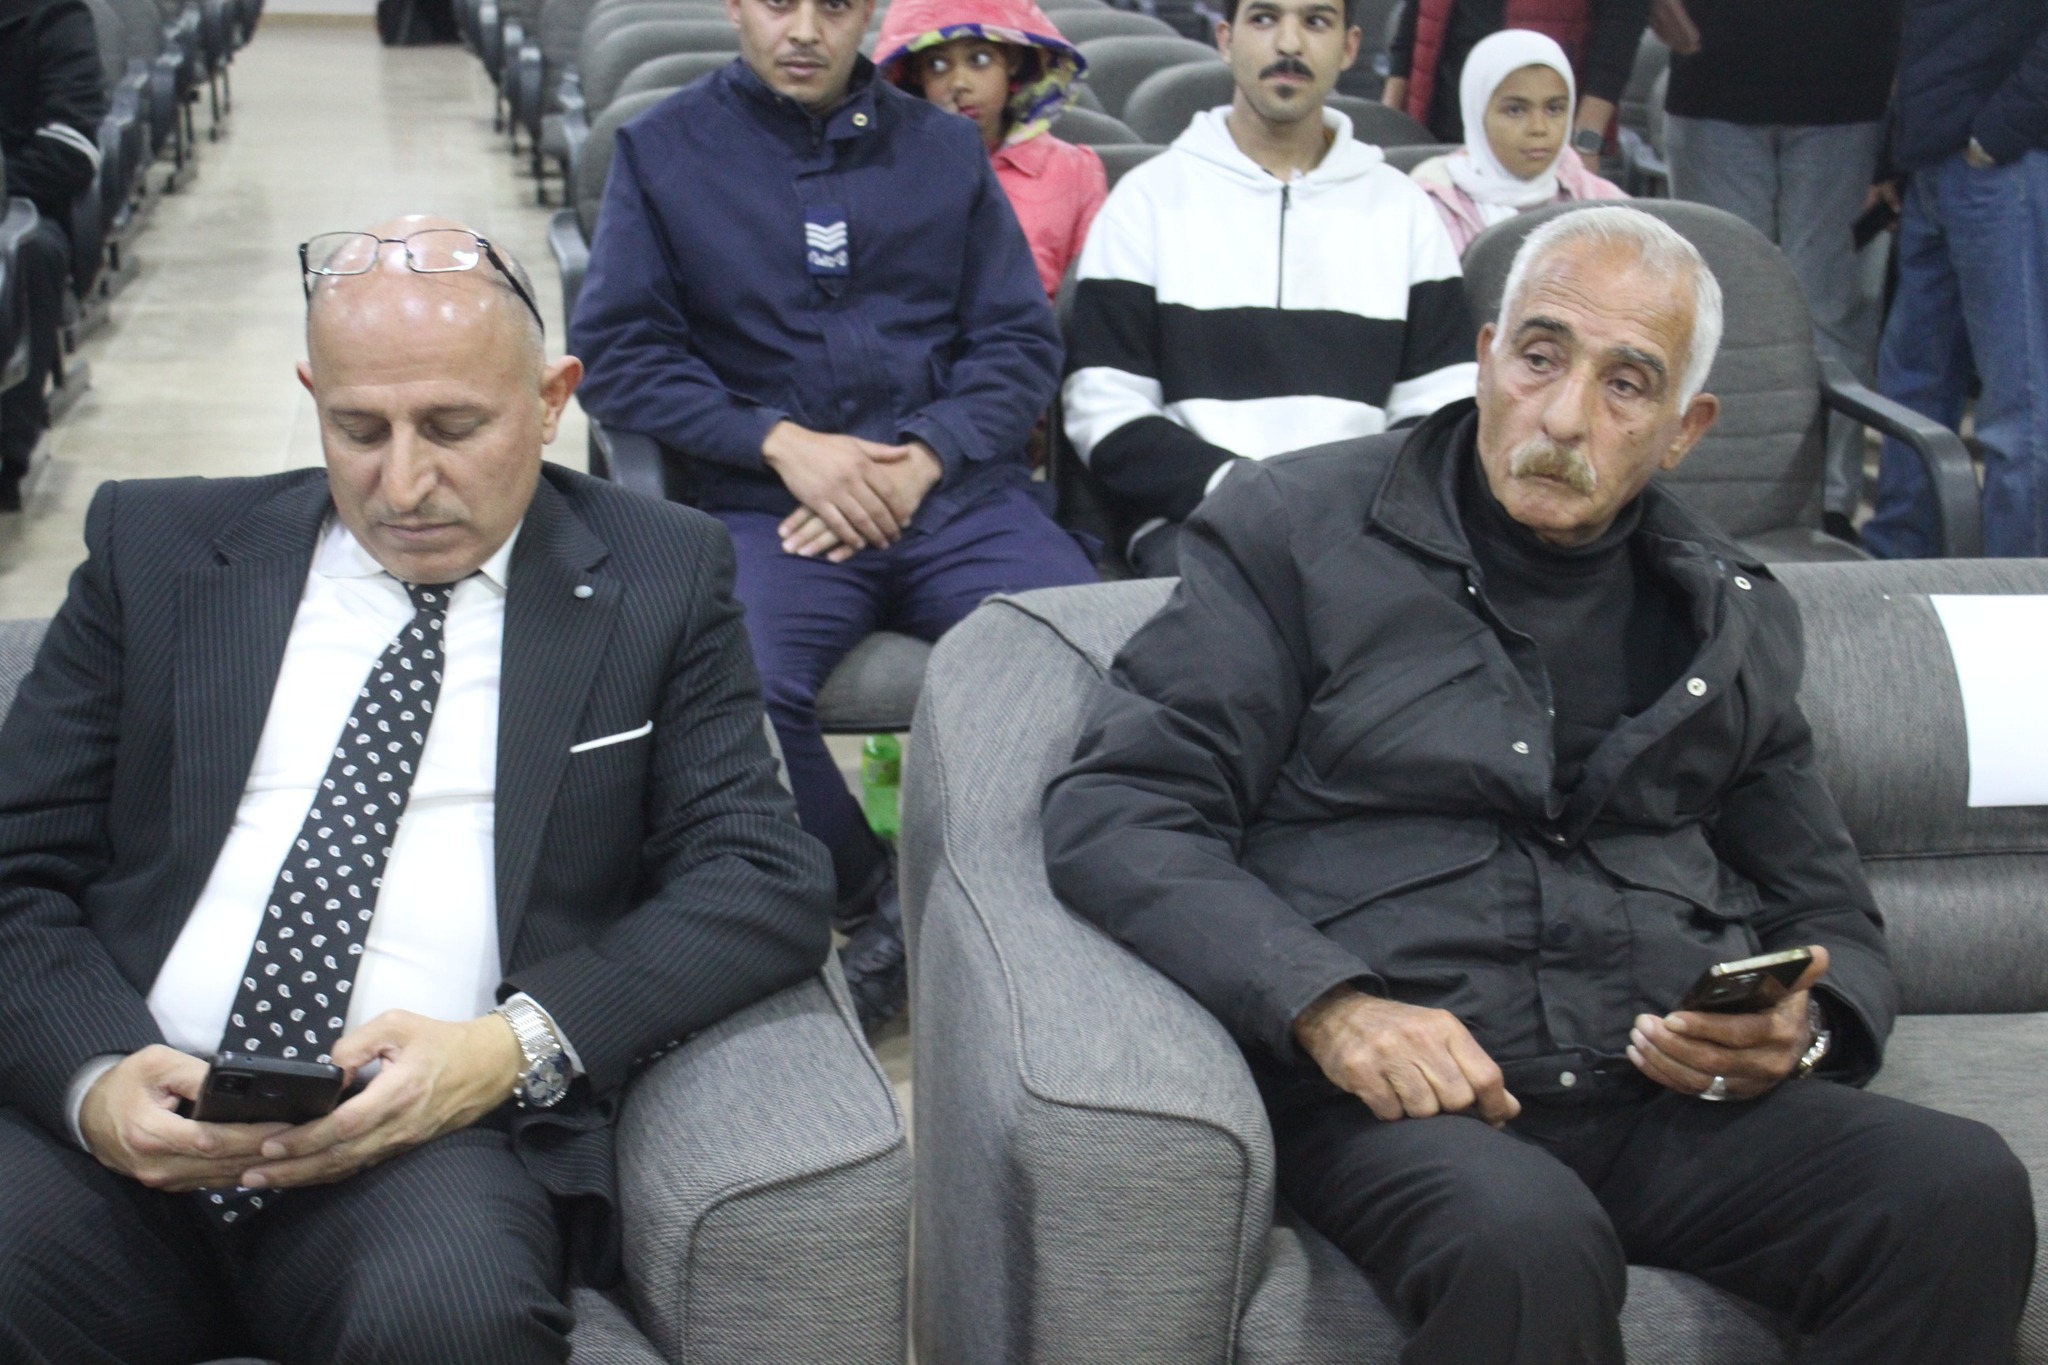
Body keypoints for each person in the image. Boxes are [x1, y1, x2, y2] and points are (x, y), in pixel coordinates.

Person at [1044, 206, 2035, 1363]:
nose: (1562, 416)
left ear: (1683, 430)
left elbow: (1824, 904)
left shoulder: (1727, 613)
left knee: (1954, 1188)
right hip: (1408, 1106)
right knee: (1524, 1241)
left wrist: (1804, 1029)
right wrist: (1328, 1006)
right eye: (1538, 357)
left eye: (1625, 384)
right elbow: (1124, 810)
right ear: (1482, 358)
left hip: (1658, 1102)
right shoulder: (1293, 532)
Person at [0, 217, 836, 1362]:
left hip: (422, 1142)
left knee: (448, 1317)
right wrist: (94, 1081)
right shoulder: (159, 548)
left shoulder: (657, 573)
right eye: (359, 430)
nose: (403, 483)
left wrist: (511, 1046)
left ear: (550, 401)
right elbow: (15, 864)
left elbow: (757, 875)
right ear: (314, 398)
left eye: (453, 427)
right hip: (125, 1116)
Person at [570, 0, 1097, 1030]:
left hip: (950, 494)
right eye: (779, 2)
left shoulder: (942, 151)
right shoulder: (664, 151)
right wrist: (780, 442)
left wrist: (927, 457)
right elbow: (621, 356)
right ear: (736, 5)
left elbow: (1017, 343)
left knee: (1085, 654)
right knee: (728, 685)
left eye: (836, 5)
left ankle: (982, 890)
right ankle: (876, 895)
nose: (805, 28)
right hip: (771, 507)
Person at [1060, 0, 1474, 576]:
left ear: (1350, 47)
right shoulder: (1146, 201)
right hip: (1196, 524)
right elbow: (1104, 409)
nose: (1289, 43)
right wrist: (1245, 493)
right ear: (1225, 39)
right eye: (1263, 18)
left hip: (1365, 529)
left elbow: (1442, 410)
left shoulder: (1404, 209)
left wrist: (1343, 504)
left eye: (1316, 21)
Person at [1653, 0, 1902, 545]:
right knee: (1720, 312)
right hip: (1712, 83)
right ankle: (1713, 497)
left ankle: (1831, 502)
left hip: (1851, 92)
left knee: (1832, 314)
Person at [1861, 0, 2048, 560]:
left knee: (2020, 405)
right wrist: (1898, 153)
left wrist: (1999, 133)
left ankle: (2015, 592)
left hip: (2007, 163)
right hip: (1936, 160)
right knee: (1912, 388)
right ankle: (1898, 572)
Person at [874, 0, 1108, 299]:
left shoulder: (1075, 171)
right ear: (916, 78)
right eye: (937, 66)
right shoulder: (887, 172)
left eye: (980, 59)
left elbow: (1090, 301)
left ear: (1012, 61)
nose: (959, 83)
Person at [0, 0, 105, 510]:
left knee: (30, 250)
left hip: (21, 202)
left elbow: (71, 148)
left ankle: (9, 444)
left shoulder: (54, 17)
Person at [1408, 28, 1626, 255]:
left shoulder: (1595, 197)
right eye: (1515, 110)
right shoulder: (1432, 209)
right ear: (1477, 114)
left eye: (1554, 109)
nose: (1539, 128)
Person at [1382, 0, 1651, 157]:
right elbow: (1416, 16)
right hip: (1438, 119)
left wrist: (1587, 141)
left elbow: (1620, 28)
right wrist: (1388, 118)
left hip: (1540, 131)